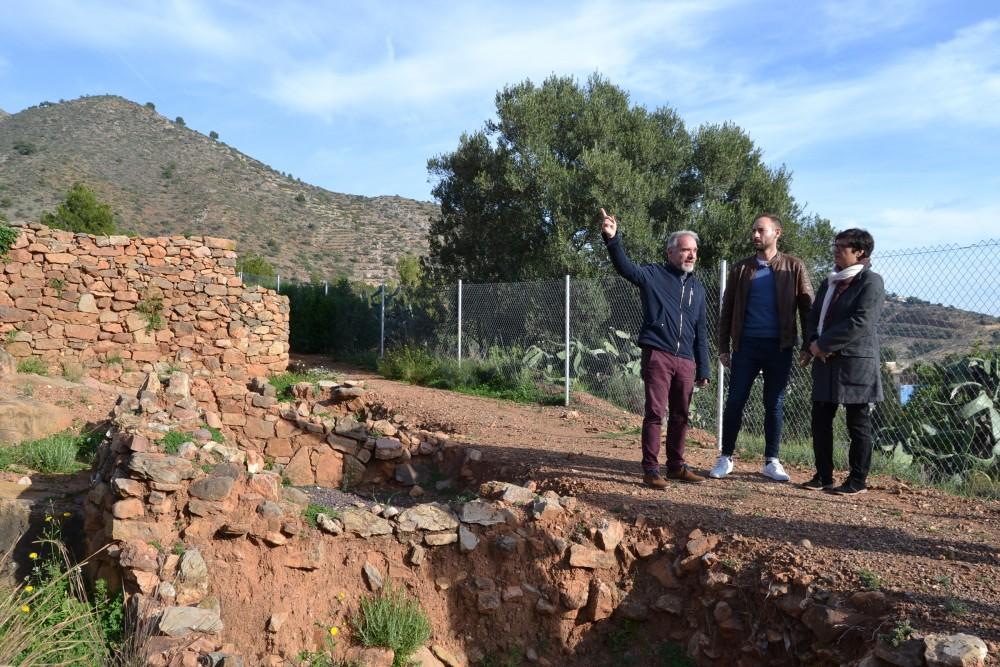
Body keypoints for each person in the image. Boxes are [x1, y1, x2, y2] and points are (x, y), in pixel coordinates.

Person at [601, 208, 710, 487]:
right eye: (685, 250)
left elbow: (701, 331)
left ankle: (676, 467)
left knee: (681, 416)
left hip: (686, 360)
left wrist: (703, 368)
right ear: (670, 253)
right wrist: (613, 239)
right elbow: (626, 268)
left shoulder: (697, 289)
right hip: (658, 354)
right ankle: (651, 469)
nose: (691, 255)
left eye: (694, 251)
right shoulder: (653, 274)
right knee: (655, 414)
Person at [710, 214, 814, 482]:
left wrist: (808, 345)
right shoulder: (740, 269)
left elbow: (808, 309)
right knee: (735, 401)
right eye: (753, 230)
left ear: (777, 233)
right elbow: (727, 310)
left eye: (761, 230)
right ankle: (725, 457)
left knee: (774, 403)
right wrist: (723, 346)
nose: (755, 235)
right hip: (745, 346)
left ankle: (771, 461)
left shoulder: (794, 267)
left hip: (780, 347)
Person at [800, 228, 885, 495]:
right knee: (820, 420)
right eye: (835, 245)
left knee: (857, 423)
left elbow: (861, 321)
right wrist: (813, 344)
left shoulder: (871, 282)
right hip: (825, 363)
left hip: (855, 364)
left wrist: (823, 344)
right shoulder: (830, 282)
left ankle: (857, 481)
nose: (836, 250)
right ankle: (823, 476)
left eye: (842, 246)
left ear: (860, 252)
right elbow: (814, 316)